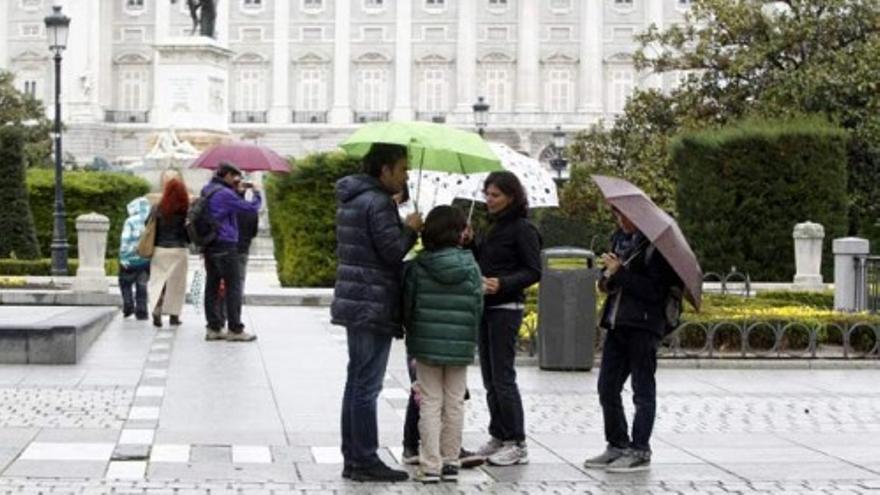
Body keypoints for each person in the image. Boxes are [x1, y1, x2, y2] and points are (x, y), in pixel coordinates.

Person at [331, 143, 422, 483]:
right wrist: (410, 227)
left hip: (356, 298)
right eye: (401, 168)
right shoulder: (379, 202)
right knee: (367, 386)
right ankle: (365, 459)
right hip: (372, 301)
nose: (406, 174)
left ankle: (353, 458)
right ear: (384, 171)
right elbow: (392, 252)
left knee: (356, 382)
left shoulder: (353, 198)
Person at [582, 207, 679, 473]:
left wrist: (621, 273)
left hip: (644, 326)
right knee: (607, 387)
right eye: (617, 216)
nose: (620, 221)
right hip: (618, 323)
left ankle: (640, 449)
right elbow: (612, 279)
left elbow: (655, 291)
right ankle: (617, 444)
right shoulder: (621, 241)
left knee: (642, 390)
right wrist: (607, 278)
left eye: (625, 216)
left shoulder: (658, 249)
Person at [402, 206, 483, 484]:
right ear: (459, 233)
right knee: (455, 402)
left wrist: (412, 332)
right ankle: (451, 461)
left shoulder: (418, 266)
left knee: (429, 403)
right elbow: (477, 305)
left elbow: (409, 305)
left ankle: (430, 464)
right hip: (459, 346)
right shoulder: (470, 264)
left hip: (425, 344)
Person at [467, 171, 541, 466]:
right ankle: (499, 434)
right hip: (486, 308)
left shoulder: (522, 229)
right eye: (487, 194)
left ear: (511, 197)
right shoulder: (493, 227)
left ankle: (517, 442)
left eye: (495, 195)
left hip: (506, 309)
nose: (489, 199)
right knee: (490, 378)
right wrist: (472, 243)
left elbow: (534, 270)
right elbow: (483, 262)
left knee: (503, 377)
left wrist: (504, 283)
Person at [201, 162, 262, 342]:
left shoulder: (207, 189)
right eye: (235, 176)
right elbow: (251, 208)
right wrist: (256, 192)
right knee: (233, 286)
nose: (238, 179)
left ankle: (213, 327)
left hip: (210, 244)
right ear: (227, 175)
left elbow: (222, 209)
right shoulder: (225, 194)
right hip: (226, 244)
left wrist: (236, 190)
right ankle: (235, 329)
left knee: (211, 285)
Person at [147, 178, 190, 327]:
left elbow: (148, 224)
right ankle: (174, 315)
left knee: (158, 281)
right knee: (177, 284)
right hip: (178, 249)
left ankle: (156, 308)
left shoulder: (157, 208)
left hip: (159, 249)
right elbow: (189, 231)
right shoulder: (185, 209)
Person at [216, 180, 259, 324]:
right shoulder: (249, 210)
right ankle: (235, 316)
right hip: (242, 250)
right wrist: (256, 192)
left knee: (221, 282)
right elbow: (253, 232)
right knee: (238, 285)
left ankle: (220, 316)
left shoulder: (225, 208)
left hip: (224, 248)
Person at [118, 196, 151, 320]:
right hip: (145, 260)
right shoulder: (150, 221)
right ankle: (142, 312)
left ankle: (128, 306)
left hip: (130, 259)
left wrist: (122, 256)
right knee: (142, 285)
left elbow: (125, 240)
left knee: (125, 283)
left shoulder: (130, 221)